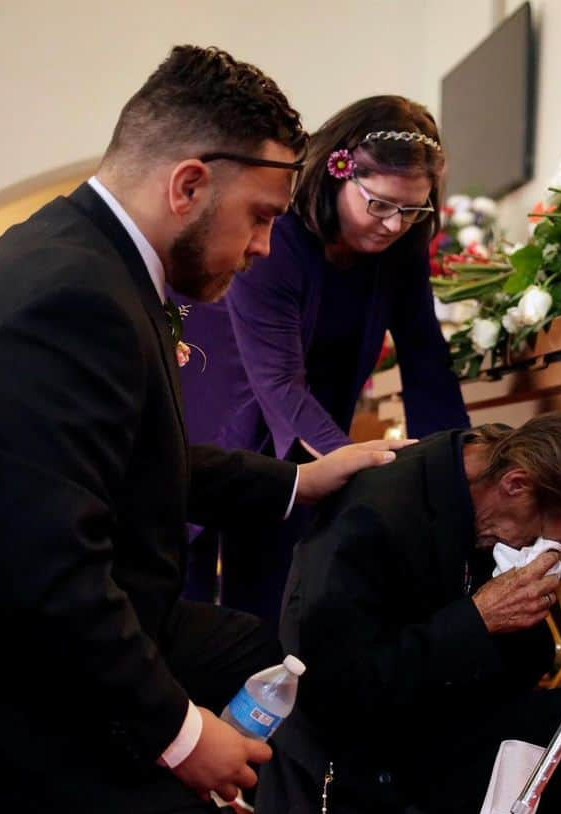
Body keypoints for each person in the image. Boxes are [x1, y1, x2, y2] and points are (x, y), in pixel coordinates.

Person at [0, 45, 407, 814]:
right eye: (263, 220)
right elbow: (44, 577)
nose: (263, 251)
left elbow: (143, 462)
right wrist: (179, 734)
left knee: (259, 647)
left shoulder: (91, 264)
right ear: (191, 182)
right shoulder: (65, 296)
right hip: (5, 688)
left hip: (41, 637)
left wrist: (299, 479)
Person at [255, 413, 561, 814]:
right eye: (540, 533)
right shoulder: (378, 511)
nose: (533, 544)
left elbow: (503, 670)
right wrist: (477, 619)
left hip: (431, 720)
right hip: (351, 761)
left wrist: (510, 618)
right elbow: (335, 689)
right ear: (516, 484)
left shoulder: (478, 485)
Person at [175, 94, 469, 629]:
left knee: (275, 601)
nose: (392, 225)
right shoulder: (278, 234)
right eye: (378, 204)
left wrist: (457, 469)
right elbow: (279, 382)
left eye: (411, 210)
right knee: (188, 587)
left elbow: (425, 356)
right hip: (226, 396)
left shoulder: (401, 240)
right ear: (339, 173)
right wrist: (364, 468)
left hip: (312, 415)